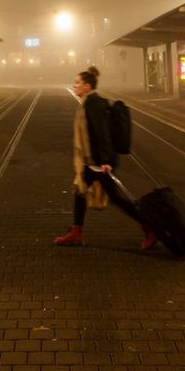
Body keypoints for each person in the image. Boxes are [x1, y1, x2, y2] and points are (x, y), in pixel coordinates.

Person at [54, 67, 156, 250]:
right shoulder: (89, 102)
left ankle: (149, 226)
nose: (74, 85)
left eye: (77, 83)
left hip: (100, 162)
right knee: (80, 191)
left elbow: (103, 133)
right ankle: (76, 232)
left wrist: (106, 160)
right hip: (92, 161)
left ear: (87, 86)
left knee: (116, 198)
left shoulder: (94, 104)